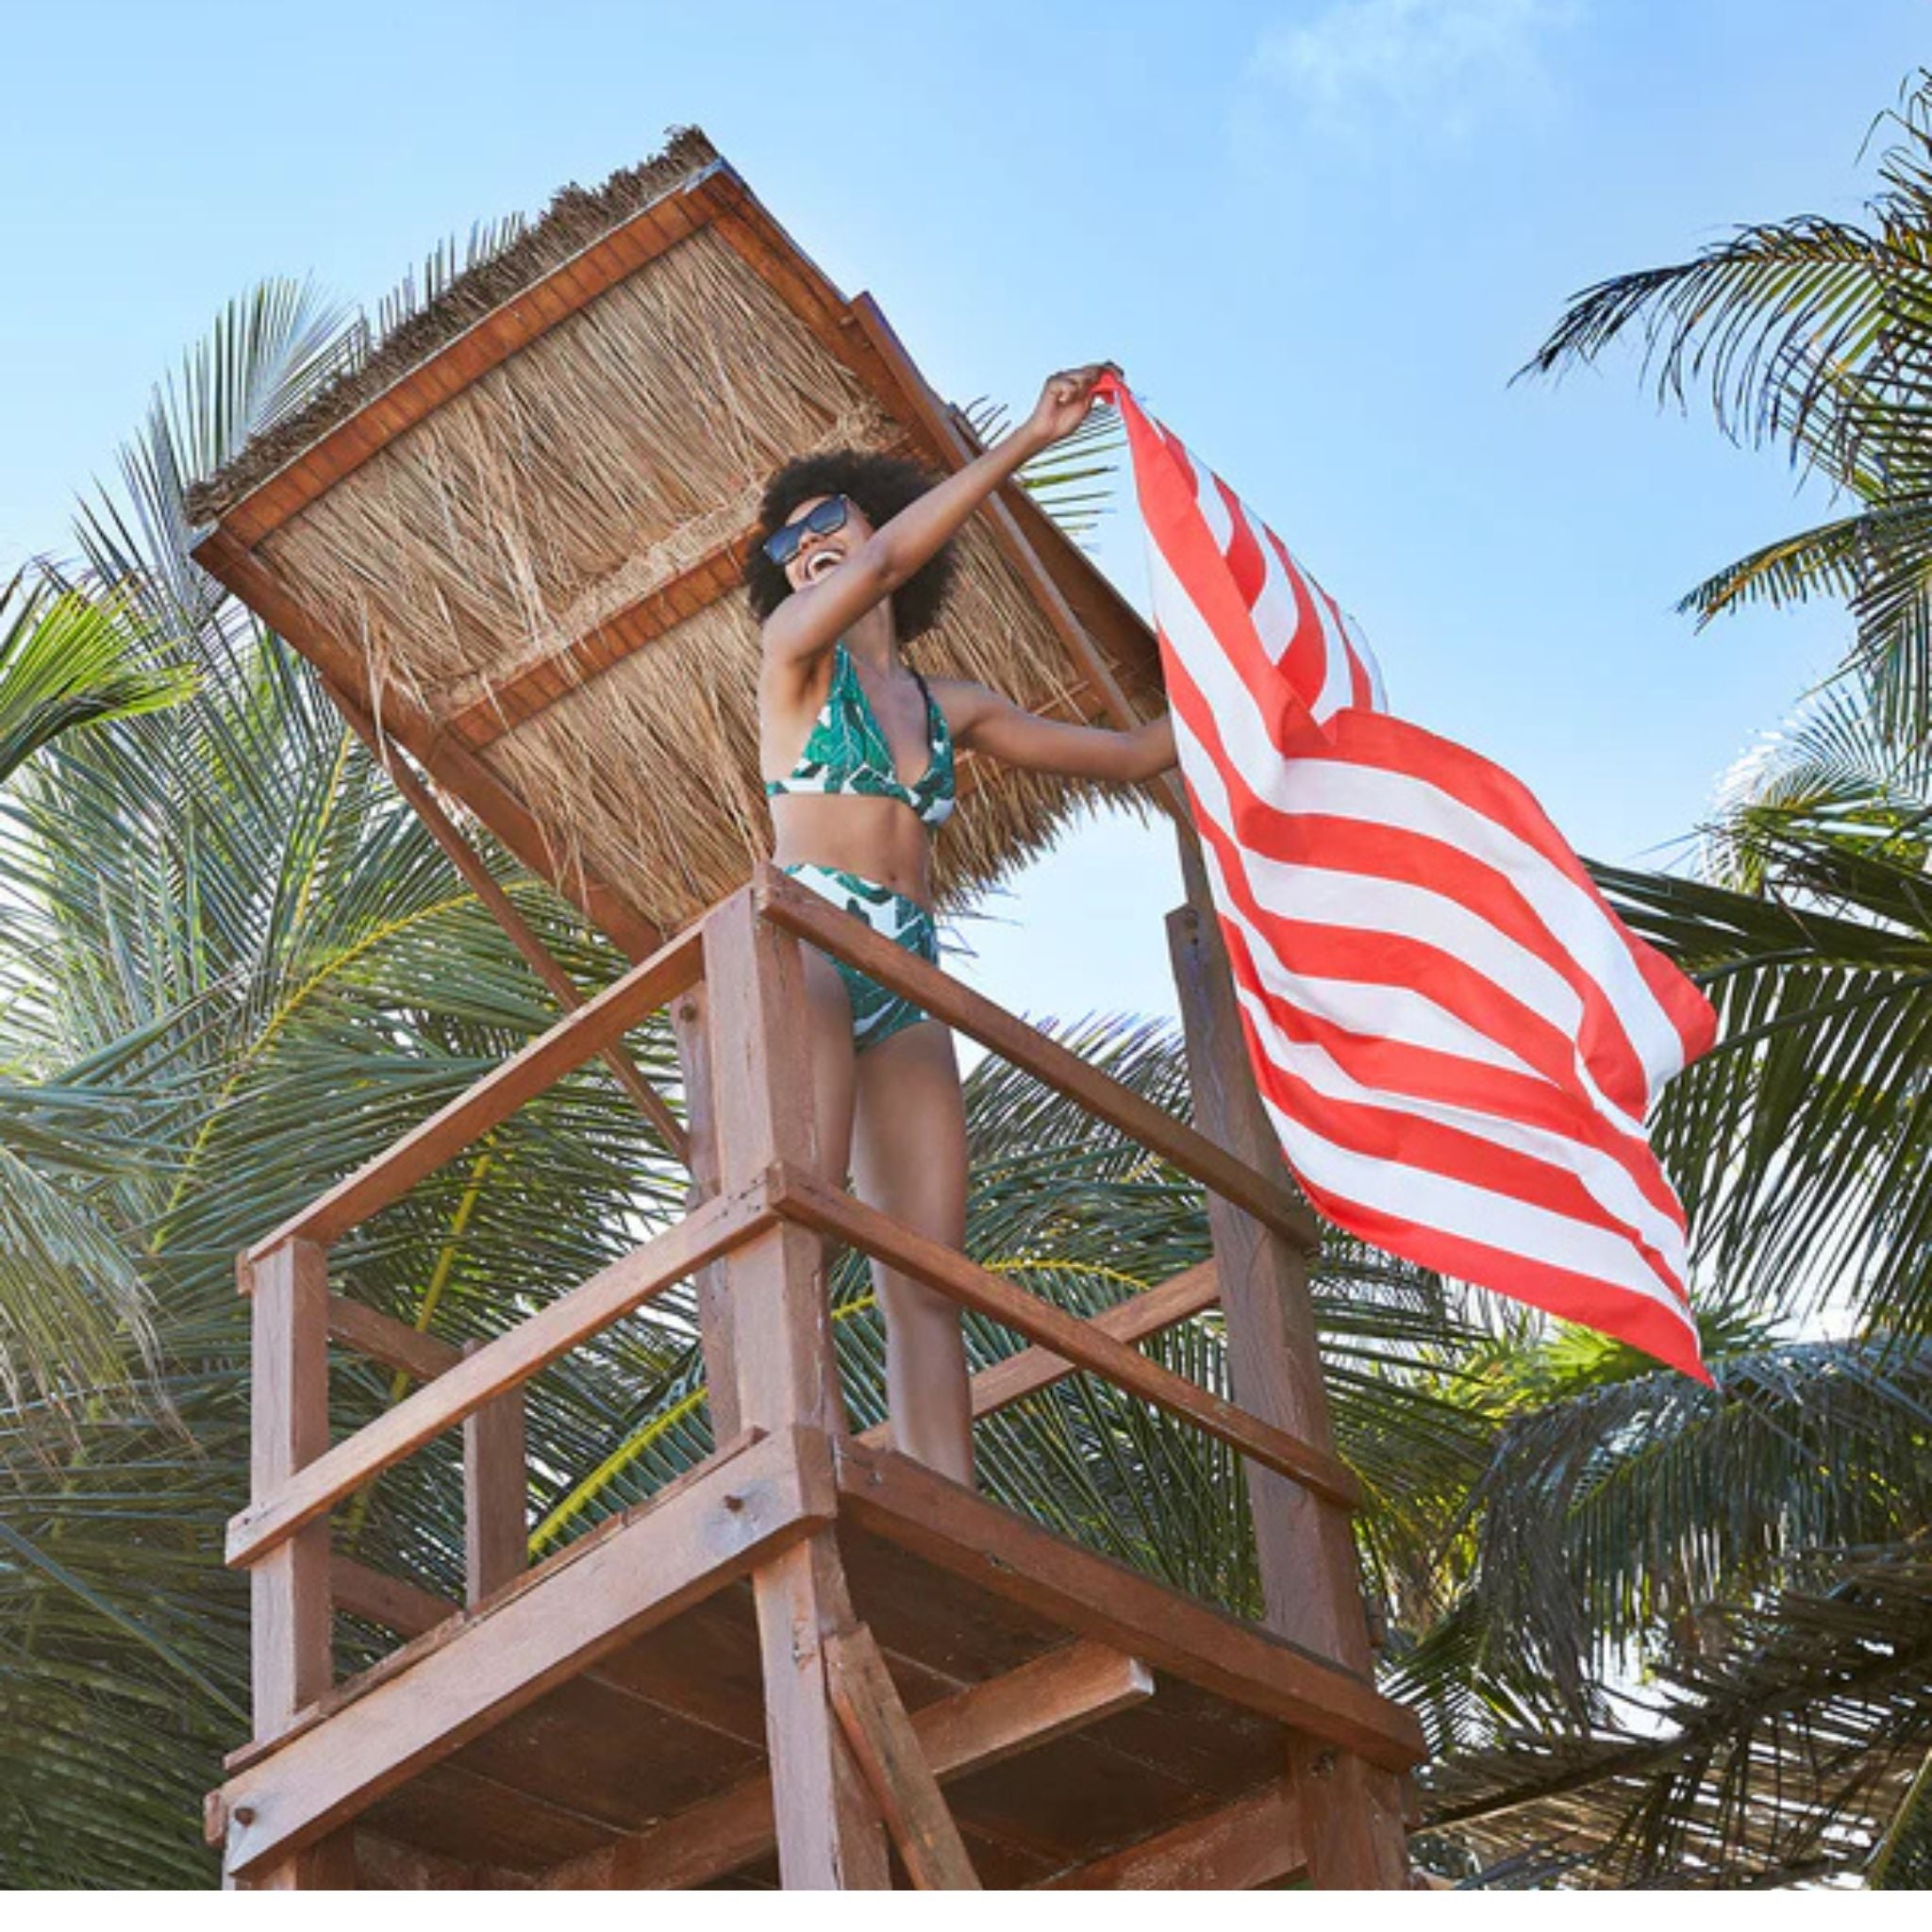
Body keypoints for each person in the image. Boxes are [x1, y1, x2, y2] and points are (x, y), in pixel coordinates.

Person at [742, 364, 1177, 1486]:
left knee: (930, 1266)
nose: (802, 548)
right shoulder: (792, 657)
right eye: (783, 546)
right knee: (810, 1205)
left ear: (873, 517)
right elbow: (882, 566)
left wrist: (1237, 685)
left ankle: (951, 1499)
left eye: (823, 520)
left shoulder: (951, 706)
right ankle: (806, 1460)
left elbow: (1133, 756)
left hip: (909, 967)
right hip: (811, 942)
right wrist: (1026, 438)